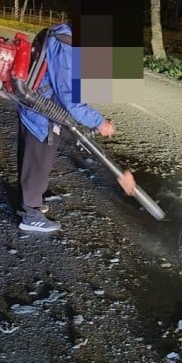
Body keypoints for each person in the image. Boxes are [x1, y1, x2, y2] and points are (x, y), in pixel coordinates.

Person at [17, 22, 136, 233]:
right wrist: (99, 122)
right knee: (38, 160)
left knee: (41, 158)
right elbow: (71, 100)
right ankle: (30, 214)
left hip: (41, 108)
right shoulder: (67, 47)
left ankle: (33, 195)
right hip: (40, 113)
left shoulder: (63, 32)